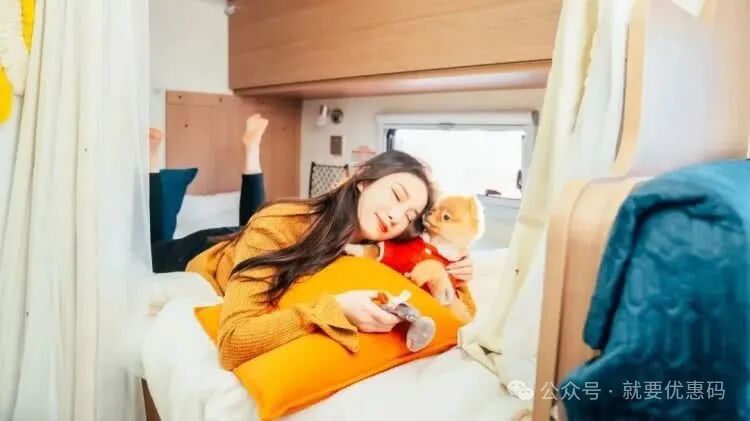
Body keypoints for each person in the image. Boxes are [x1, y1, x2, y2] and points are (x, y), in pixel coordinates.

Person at [150, 115, 476, 370]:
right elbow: (233, 344)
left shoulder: (379, 246)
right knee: (150, 243)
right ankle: (152, 163)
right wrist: (335, 309)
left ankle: (250, 155)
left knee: (255, 220)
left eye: (408, 215)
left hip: (256, 237)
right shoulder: (280, 223)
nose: (395, 216)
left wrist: (456, 271)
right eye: (396, 195)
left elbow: (443, 286)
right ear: (363, 180)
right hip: (198, 252)